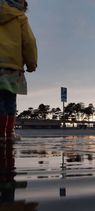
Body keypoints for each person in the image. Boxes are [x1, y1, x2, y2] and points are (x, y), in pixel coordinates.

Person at [0, 0, 37, 141]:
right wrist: (31, 64)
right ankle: (8, 133)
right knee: (9, 100)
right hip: (12, 67)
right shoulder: (20, 18)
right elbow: (29, 42)